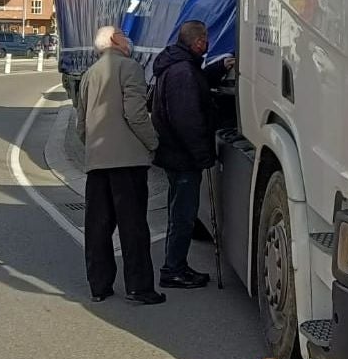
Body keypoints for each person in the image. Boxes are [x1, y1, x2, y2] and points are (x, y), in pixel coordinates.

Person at [75, 25, 165, 306]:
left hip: (97, 162)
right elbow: (136, 113)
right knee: (133, 226)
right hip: (128, 160)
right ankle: (139, 287)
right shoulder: (130, 68)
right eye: (125, 34)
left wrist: (94, 147)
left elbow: (81, 126)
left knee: (97, 226)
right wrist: (153, 142)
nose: (129, 39)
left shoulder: (89, 75)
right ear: (115, 40)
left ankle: (99, 286)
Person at [150, 20, 234, 289]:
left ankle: (176, 265)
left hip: (174, 153)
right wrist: (203, 155)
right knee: (184, 215)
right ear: (198, 42)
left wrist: (219, 68)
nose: (207, 44)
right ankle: (173, 269)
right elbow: (188, 120)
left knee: (180, 212)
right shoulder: (183, 72)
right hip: (184, 156)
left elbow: (196, 82)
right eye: (205, 40)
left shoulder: (178, 66)